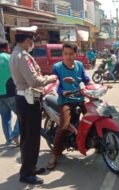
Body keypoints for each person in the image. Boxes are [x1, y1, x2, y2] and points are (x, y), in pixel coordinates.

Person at [10, 26, 58, 185]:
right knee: (31, 139)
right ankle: (26, 174)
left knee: (27, 137)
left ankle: (30, 167)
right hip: (29, 102)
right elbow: (34, 81)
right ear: (26, 40)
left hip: (24, 100)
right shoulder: (22, 57)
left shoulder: (15, 54)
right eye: (31, 40)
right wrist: (51, 78)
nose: (32, 43)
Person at [47, 43, 94, 170]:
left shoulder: (79, 65)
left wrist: (94, 87)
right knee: (63, 126)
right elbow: (56, 83)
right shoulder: (57, 67)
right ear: (62, 54)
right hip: (65, 100)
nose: (68, 57)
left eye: (71, 54)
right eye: (65, 54)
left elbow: (86, 79)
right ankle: (55, 154)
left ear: (75, 54)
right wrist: (62, 91)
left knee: (94, 116)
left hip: (79, 97)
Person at [0, 39, 19, 145]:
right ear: (5, 47)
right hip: (11, 92)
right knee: (22, 115)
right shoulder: (9, 58)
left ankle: (9, 140)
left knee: (5, 117)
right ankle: (15, 134)